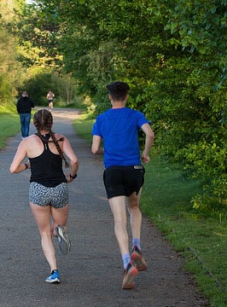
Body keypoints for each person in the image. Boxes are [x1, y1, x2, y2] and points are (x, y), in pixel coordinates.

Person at [91, 81, 154, 290]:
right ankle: (137, 244)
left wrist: (107, 151)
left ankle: (127, 263)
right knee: (134, 208)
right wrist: (145, 154)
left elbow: (94, 149)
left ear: (110, 97)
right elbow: (150, 134)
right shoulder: (136, 115)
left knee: (119, 219)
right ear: (126, 97)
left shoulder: (101, 119)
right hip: (135, 169)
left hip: (113, 171)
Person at [9, 109, 79, 284]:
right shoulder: (61, 139)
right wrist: (71, 176)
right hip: (60, 188)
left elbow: (12, 169)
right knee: (57, 226)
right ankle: (59, 230)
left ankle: (54, 271)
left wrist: (27, 165)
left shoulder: (27, 142)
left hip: (38, 190)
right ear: (51, 123)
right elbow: (75, 161)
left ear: (34, 124)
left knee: (43, 233)